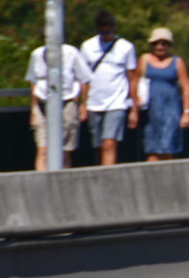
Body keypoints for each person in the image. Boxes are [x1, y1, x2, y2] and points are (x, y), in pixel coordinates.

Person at [80, 10, 138, 166]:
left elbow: (132, 78)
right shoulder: (87, 46)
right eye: (102, 32)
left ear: (114, 28)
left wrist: (134, 108)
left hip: (116, 102)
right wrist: (83, 104)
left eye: (108, 31)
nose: (105, 35)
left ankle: (109, 178)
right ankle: (101, 174)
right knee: (98, 146)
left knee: (109, 144)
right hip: (94, 102)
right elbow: (83, 79)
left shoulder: (126, 47)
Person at [26, 40, 93, 171]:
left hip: (67, 102)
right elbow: (33, 82)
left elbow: (84, 78)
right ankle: (42, 181)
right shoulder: (37, 54)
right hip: (42, 103)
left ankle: (63, 179)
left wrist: (82, 104)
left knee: (64, 149)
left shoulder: (71, 52)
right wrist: (33, 109)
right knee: (43, 149)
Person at [137, 28, 189, 161]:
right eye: (156, 43)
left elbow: (186, 87)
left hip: (170, 110)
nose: (160, 46)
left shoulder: (176, 61)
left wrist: (186, 112)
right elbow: (134, 82)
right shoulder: (144, 60)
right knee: (151, 148)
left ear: (169, 45)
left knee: (167, 147)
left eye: (164, 43)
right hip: (150, 110)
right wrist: (135, 105)